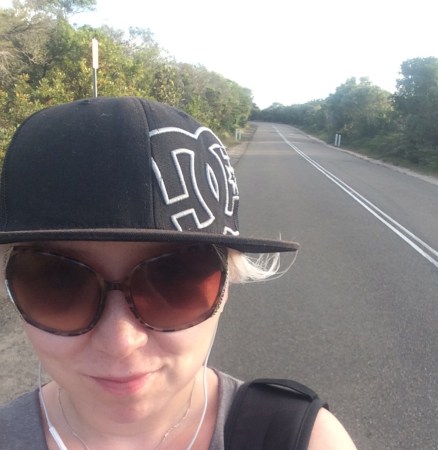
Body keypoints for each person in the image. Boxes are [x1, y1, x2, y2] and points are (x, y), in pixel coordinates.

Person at [0, 97, 356, 449]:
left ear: (226, 285)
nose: (121, 343)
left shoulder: (302, 440)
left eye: (174, 278)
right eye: (59, 282)